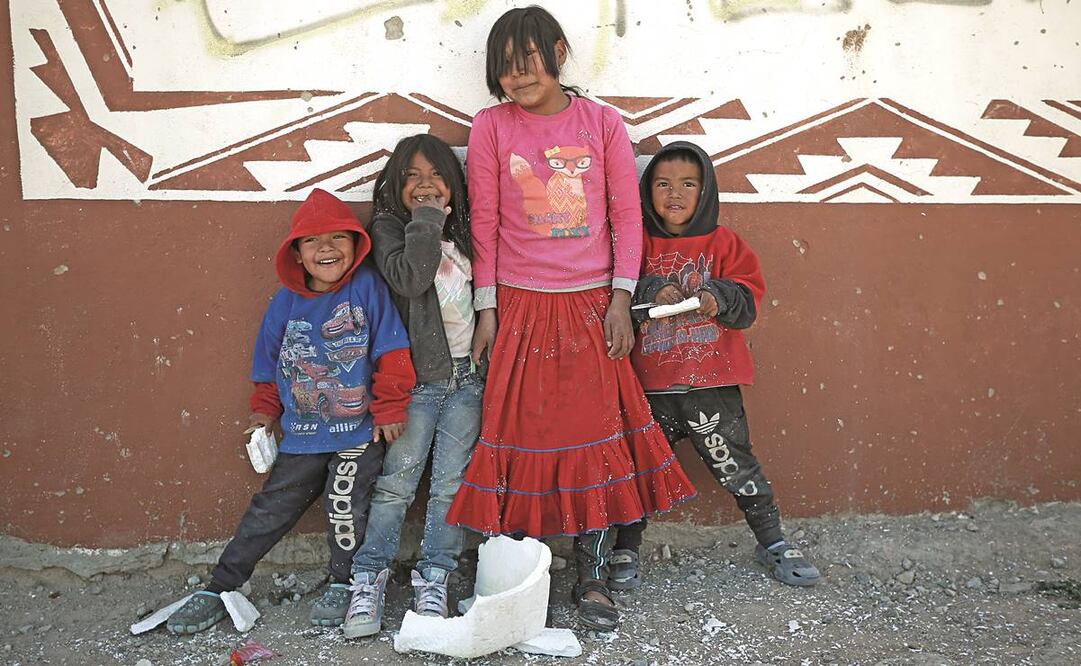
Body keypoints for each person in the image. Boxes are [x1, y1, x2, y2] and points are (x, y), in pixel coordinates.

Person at [443, 6, 696, 632]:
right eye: (504, 66)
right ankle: (513, 577)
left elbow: (625, 218)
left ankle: (594, 577)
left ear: (558, 51)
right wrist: (487, 310)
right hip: (521, 309)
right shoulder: (491, 126)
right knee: (516, 437)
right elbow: (486, 224)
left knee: (597, 441)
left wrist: (621, 299)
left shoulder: (603, 123)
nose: (517, 75)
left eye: (528, 60)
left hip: (590, 308)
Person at [166, 188, 415, 634]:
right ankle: (222, 584)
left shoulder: (368, 289)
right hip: (302, 433)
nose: (326, 248)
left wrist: (391, 407)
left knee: (346, 505)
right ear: (296, 254)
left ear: (356, 246)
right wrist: (264, 414)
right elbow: (269, 369)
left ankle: (344, 581)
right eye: (313, 241)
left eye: (339, 237)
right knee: (271, 506)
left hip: (358, 434)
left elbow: (392, 352)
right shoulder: (284, 304)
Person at [610, 141, 820, 592]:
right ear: (647, 192)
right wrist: (652, 290)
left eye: (688, 184)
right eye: (662, 184)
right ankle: (625, 547)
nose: (675, 195)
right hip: (650, 388)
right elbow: (619, 300)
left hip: (712, 386)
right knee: (637, 470)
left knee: (736, 466)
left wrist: (717, 296)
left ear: (705, 191)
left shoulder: (725, 243)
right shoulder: (637, 244)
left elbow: (747, 299)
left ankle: (773, 541)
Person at [342, 134, 483, 638]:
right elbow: (409, 279)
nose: (425, 185)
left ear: (455, 183)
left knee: (451, 485)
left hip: (468, 381)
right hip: (419, 386)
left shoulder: (465, 234)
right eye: (412, 177)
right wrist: (426, 220)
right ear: (394, 186)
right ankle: (369, 575)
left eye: (436, 176)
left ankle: (435, 577)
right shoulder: (388, 230)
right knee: (397, 484)